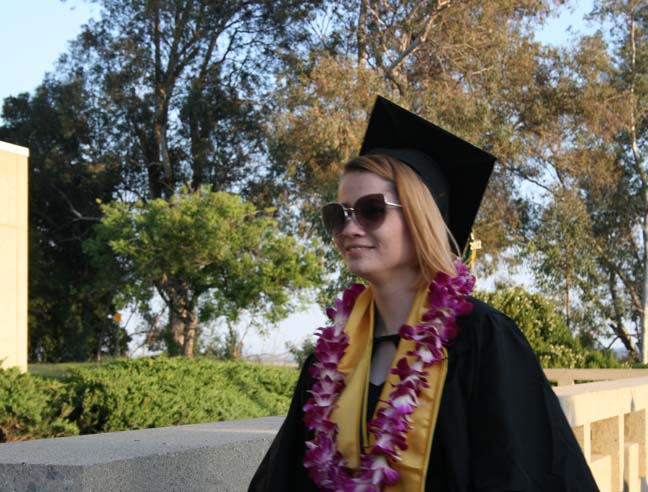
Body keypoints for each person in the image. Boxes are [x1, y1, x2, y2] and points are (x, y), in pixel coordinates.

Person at [248, 96, 598, 491]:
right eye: (338, 214)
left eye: (370, 210)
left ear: (419, 216)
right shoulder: (328, 358)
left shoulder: (482, 340)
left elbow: (526, 472)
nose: (349, 228)